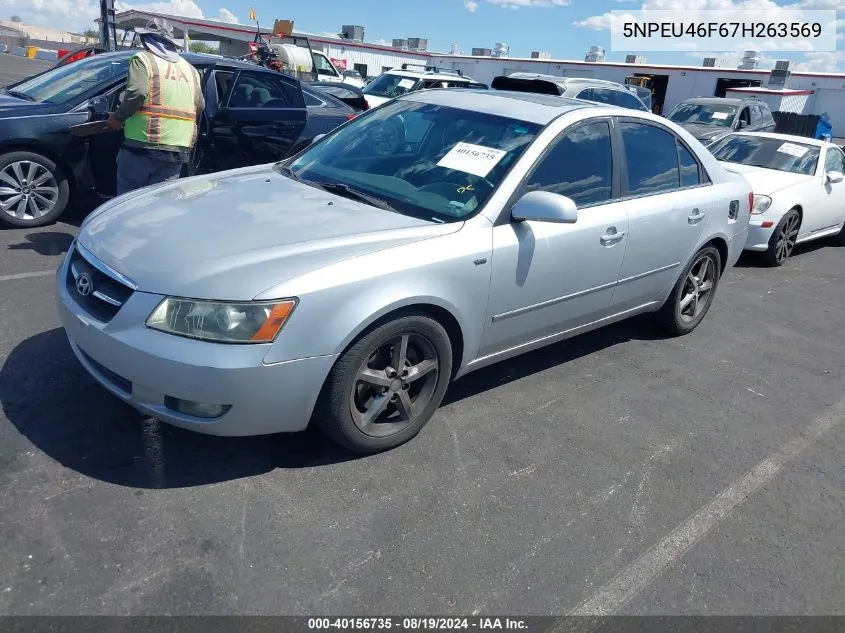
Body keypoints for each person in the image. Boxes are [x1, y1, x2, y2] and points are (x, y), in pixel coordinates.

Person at [106, 25, 205, 195]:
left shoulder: (143, 60)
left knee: (128, 199)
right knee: (158, 201)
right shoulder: (190, 70)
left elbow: (137, 93)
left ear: (147, 40)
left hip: (143, 145)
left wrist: (118, 118)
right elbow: (200, 105)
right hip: (178, 147)